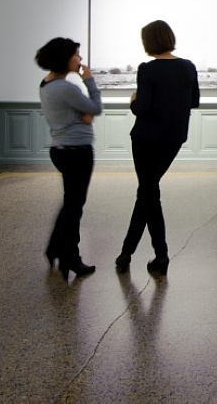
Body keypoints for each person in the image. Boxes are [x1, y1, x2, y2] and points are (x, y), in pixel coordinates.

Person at [116, 20, 201, 276]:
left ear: (149, 42)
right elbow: (194, 102)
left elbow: (143, 109)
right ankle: (125, 253)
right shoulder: (188, 67)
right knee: (147, 192)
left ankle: (160, 254)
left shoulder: (148, 70)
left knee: (148, 193)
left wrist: (133, 101)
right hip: (173, 140)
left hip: (145, 140)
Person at [35, 37, 103, 280]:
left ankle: (54, 248)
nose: (80, 59)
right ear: (65, 58)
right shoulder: (66, 87)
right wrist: (90, 81)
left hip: (61, 149)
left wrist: (82, 114)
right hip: (77, 152)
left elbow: (83, 113)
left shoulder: (47, 84)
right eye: (77, 55)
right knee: (75, 207)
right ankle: (70, 257)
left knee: (70, 203)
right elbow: (95, 108)